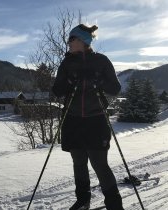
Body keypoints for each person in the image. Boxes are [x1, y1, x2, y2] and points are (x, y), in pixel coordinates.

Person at [52, 24, 123, 210]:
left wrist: (98, 80)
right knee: (79, 163)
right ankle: (83, 201)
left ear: (83, 41)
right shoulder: (67, 63)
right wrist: (69, 80)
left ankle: (115, 205)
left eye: (72, 39)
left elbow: (115, 89)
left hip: (96, 120)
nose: (68, 43)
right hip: (73, 120)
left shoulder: (101, 61)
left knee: (100, 165)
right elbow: (57, 91)